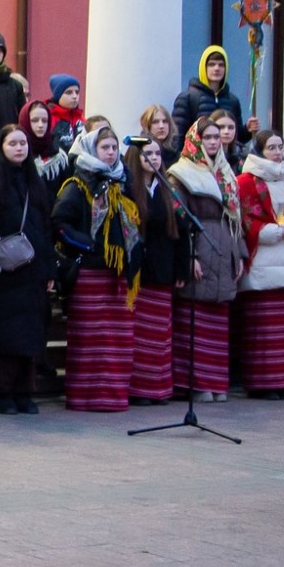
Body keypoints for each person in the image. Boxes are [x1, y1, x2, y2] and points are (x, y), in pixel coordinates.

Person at [52, 124, 141, 411]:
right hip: (90, 274)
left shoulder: (122, 183)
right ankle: (85, 397)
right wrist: (87, 245)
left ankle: (113, 397)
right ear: (92, 150)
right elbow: (59, 223)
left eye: (114, 148)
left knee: (116, 342)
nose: (111, 152)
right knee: (91, 341)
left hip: (117, 275)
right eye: (105, 147)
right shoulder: (77, 186)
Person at [0, 124, 54, 414]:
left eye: (23, 143)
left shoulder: (36, 181)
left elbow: (46, 228)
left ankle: (24, 391)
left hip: (32, 271)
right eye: (13, 144)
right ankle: (0, 393)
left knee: (30, 333)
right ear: (1, 147)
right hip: (1, 272)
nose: (19, 148)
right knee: (2, 334)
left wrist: (49, 271)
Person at [168, 116, 245, 401]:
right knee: (195, 322)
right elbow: (178, 218)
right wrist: (189, 257)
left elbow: (236, 219)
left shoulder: (226, 174)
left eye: (216, 137)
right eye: (208, 137)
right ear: (195, 140)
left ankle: (216, 383)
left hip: (225, 246)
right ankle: (195, 384)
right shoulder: (181, 173)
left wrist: (239, 254)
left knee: (218, 326)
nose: (213, 142)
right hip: (199, 245)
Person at [236, 129, 284, 399]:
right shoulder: (246, 181)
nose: (277, 152)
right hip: (263, 265)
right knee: (264, 332)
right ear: (259, 151)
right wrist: (278, 232)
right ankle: (264, 383)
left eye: (280, 146)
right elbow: (247, 221)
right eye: (271, 148)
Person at [125, 136, 185, 406]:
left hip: (162, 267)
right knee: (141, 335)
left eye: (158, 153)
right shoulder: (128, 187)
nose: (154, 158)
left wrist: (180, 267)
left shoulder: (166, 189)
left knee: (160, 335)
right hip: (139, 271)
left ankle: (158, 389)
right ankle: (139, 389)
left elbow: (180, 232)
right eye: (147, 153)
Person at [171, 45, 249, 150]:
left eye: (221, 65)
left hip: (225, 161)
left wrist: (248, 130)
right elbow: (177, 136)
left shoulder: (232, 100)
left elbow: (237, 137)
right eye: (211, 64)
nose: (216, 68)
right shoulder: (188, 98)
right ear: (203, 67)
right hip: (197, 161)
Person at [19, 99, 69, 187]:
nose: (40, 125)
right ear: (25, 121)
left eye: (44, 121)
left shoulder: (58, 155)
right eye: (34, 120)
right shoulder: (17, 153)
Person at [46, 74, 85, 151]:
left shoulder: (82, 119)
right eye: (69, 92)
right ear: (58, 95)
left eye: (77, 92)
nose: (74, 96)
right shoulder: (48, 118)